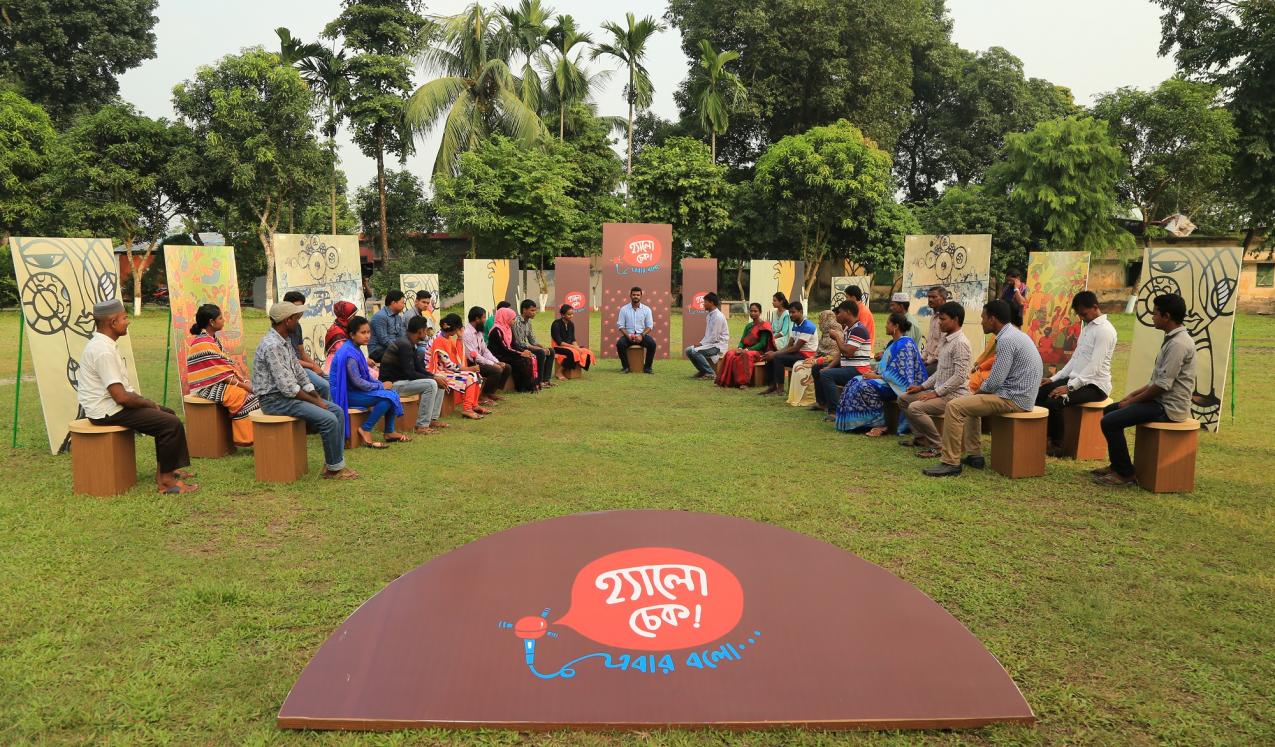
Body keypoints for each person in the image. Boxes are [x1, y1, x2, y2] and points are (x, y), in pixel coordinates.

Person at [79, 299, 196, 494]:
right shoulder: (102, 350)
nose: (128, 321)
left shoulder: (104, 344)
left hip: (112, 406)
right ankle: (166, 482)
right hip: (106, 411)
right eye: (124, 317)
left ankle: (167, 471)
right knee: (170, 423)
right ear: (112, 322)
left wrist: (151, 405)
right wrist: (149, 404)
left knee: (169, 414)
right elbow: (121, 397)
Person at [922, 300, 1043, 477]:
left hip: (1015, 398)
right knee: (969, 403)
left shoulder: (1006, 340)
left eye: (983, 318)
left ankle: (950, 462)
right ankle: (974, 456)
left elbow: (996, 379)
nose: (981, 322)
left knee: (955, 406)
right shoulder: (1014, 335)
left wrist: (980, 391)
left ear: (992, 319)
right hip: (1018, 395)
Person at [1093, 294, 1196, 487]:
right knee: (1110, 411)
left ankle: (1125, 474)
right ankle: (1117, 466)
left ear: (1166, 316)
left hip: (1168, 408)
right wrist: (1134, 395)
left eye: (1155, 313)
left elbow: (1162, 386)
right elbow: (1158, 380)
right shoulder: (1173, 339)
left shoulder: (1178, 344)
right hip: (1160, 401)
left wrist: (1132, 402)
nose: (1152, 317)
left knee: (1110, 421)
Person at [254, 303, 356, 480]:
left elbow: (300, 374)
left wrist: (316, 396)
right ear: (287, 320)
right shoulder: (272, 345)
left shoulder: (283, 340)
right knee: (329, 419)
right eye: (296, 318)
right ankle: (334, 470)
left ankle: (333, 463)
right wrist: (316, 402)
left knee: (337, 412)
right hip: (274, 400)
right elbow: (288, 387)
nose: (298, 322)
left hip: (287, 395)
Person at [1035, 291, 1117, 455]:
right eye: (1079, 314)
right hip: (1078, 380)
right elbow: (1075, 359)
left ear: (1095, 307)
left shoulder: (1105, 331)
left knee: (1054, 400)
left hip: (1095, 386)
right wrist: (1053, 379)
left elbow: (1095, 366)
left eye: (1084, 314)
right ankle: (1043, 437)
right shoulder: (1088, 328)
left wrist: (1069, 387)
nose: (1081, 318)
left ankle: (1058, 445)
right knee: (1039, 392)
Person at [898, 302, 973, 456]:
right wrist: (922, 387)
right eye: (939, 319)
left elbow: (959, 377)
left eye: (943, 319)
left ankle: (937, 446)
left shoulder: (960, 343)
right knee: (904, 399)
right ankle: (920, 438)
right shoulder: (946, 340)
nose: (939, 322)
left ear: (955, 319)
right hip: (942, 393)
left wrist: (936, 393)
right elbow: (941, 372)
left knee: (915, 407)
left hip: (955, 395)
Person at [835, 313, 927, 435]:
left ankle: (880, 424)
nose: (885, 326)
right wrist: (873, 373)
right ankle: (854, 422)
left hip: (898, 386)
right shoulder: (893, 343)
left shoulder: (906, 344)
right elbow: (887, 366)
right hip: (886, 381)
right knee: (855, 380)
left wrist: (876, 376)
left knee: (864, 386)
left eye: (888, 323)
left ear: (896, 326)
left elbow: (902, 374)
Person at [185, 303, 259, 447]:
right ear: (212, 322)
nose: (223, 320)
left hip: (218, 382)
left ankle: (251, 437)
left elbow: (223, 369)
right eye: (220, 318)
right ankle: (246, 439)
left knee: (250, 392)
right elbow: (221, 374)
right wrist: (243, 385)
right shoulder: (203, 343)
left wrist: (243, 381)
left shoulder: (211, 339)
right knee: (243, 396)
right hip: (206, 387)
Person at [330, 316, 407, 448]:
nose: (367, 336)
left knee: (390, 393)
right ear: (352, 335)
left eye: (368, 332)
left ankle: (389, 431)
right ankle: (366, 429)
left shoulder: (355, 348)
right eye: (363, 332)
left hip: (356, 391)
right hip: (346, 395)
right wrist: (380, 385)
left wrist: (381, 385)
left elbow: (365, 374)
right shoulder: (349, 354)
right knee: (388, 398)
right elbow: (358, 381)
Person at [379, 315, 449, 434]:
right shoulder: (404, 344)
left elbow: (419, 369)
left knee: (440, 380)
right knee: (431, 384)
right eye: (426, 329)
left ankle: (432, 419)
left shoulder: (410, 343)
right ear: (420, 331)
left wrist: (435, 377)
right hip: (392, 385)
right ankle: (422, 426)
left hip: (403, 381)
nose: (427, 332)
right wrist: (433, 378)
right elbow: (410, 373)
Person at [812, 300, 873, 413]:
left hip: (858, 370)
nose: (836, 315)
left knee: (826, 375)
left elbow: (848, 353)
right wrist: (829, 367)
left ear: (848, 312)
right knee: (817, 368)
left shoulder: (859, 330)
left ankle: (834, 411)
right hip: (848, 367)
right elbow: (841, 354)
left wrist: (837, 338)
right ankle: (822, 403)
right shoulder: (848, 329)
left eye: (839, 312)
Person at [430, 313, 491, 419]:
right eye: (457, 328)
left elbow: (457, 356)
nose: (458, 331)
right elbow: (449, 365)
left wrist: (460, 338)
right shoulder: (439, 341)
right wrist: (467, 369)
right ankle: (467, 408)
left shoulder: (447, 338)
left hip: (448, 371)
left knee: (477, 376)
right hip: (440, 373)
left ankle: (474, 405)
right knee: (471, 377)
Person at [758, 301, 816, 396]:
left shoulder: (808, 326)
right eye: (790, 312)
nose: (791, 315)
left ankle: (780, 390)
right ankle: (772, 386)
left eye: (793, 312)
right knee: (770, 355)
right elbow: (789, 345)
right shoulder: (795, 325)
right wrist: (774, 353)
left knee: (778, 358)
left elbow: (796, 348)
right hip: (797, 353)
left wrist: (776, 354)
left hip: (806, 355)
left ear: (801, 311)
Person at [282, 291, 330, 401]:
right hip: (294, 368)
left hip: (302, 365)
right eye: (295, 308)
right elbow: (288, 360)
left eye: (301, 308)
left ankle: (333, 409)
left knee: (332, 381)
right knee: (324, 386)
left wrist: (317, 367)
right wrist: (312, 366)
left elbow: (302, 352)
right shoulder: (283, 327)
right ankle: (326, 412)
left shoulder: (297, 325)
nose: (299, 312)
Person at [787, 309, 841, 406]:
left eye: (821, 320)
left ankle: (809, 398)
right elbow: (819, 351)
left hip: (832, 361)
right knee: (799, 364)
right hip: (822, 359)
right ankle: (817, 400)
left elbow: (834, 355)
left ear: (827, 320)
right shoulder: (825, 334)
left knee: (803, 369)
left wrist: (816, 360)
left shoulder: (836, 334)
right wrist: (813, 358)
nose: (819, 322)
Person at [715, 302, 774, 388]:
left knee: (745, 354)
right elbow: (743, 340)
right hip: (746, 349)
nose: (753, 313)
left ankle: (743, 383)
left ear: (760, 312)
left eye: (755, 311)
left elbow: (762, 343)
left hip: (759, 352)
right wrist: (739, 347)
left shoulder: (764, 325)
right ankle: (725, 380)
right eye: (751, 311)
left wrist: (748, 349)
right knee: (730, 353)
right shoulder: (749, 326)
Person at [465, 306, 511, 401]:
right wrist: (493, 364)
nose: (485, 320)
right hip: (471, 363)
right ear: (477, 319)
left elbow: (485, 350)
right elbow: (474, 356)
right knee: (496, 370)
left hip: (480, 360)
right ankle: (483, 396)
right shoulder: (467, 333)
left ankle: (491, 392)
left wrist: (496, 362)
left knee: (506, 367)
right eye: (483, 318)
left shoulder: (479, 332)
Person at [489, 306, 539, 391]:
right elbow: (505, 348)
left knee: (528, 358)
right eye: (512, 319)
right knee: (521, 361)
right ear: (506, 318)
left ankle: (531, 384)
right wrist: (520, 353)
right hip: (499, 356)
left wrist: (524, 351)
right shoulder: (497, 330)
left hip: (508, 353)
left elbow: (514, 344)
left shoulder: (508, 328)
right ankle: (521, 387)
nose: (514, 321)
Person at [686, 292, 729, 379]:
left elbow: (714, 337)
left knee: (694, 351)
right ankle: (703, 371)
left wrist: (701, 344)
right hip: (710, 344)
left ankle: (710, 373)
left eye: (705, 302)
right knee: (688, 350)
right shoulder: (709, 315)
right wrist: (701, 343)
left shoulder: (718, 317)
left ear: (711, 303)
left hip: (718, 346)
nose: (703, 304)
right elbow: (708, 335)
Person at [514, 299, 556, 386]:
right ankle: (538, 381)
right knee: (540, 352)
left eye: (535, 310)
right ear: (524, 310)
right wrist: (538, 349)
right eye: (532, 310)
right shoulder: (517, 322)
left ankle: (546, 380)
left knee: (550, 351)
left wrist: (543, 346)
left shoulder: (528, 321)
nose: (534, 313)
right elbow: (519, 343)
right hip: (519, 348)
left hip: (526, 346)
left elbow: (532, 339)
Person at [616, 286, 657, 373]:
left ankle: (647, 367)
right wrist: (628, 336)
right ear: (630, 296)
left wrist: (642, 336)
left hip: (642, 335)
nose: (636, 296)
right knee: (620, 344)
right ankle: (625, 367)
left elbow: (649, 326)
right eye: (634, 294)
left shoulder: (647, 310)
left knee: (652, 344)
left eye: (638, 295)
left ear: (641, 296)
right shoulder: (624, 309)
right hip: (628, 336)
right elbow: (621, 326)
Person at [550, 304, 595, 377]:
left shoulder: (571, 324)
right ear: (562, 315)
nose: (571, 316)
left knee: (586, 351)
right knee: (573, 353)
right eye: (569, 314)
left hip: (569, 346)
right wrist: (574, 348)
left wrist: (577, 347)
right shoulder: (556, 324)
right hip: (558, 347)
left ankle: (577, 368)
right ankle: (559, 372)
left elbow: (573, 339)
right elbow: (559, 342)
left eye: (572, 314)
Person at [322, 300, 360, 374]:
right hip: (338, 366)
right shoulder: (337, 333)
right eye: (353, 316)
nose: (354, 318)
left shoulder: (343, 328)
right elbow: (346, 354)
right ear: (345, 316)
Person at [369, 290, 407, 362]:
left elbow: (401, 335)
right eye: (402, 303)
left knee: (413, 352)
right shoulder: (380, 316)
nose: (404, 305)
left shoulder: (398, 317)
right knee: (403, 356)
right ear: (393, 303)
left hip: (391, 348)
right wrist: (399, 348)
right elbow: (384, 340)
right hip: (377, 351)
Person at [920, 286, 950, 375]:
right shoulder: (934, 317)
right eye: (929, 297)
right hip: (929, 360)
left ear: (944, 298)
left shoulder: (946, 318)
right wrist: (922, 358)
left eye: (934, 297)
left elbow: (942, 344)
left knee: (916, 376)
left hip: (939, 362)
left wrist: (927, 362)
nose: (930, 300)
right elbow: (930, 341)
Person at [845, 285, 875, 349]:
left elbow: (859, 331)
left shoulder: (863, 311)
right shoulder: (855, 309)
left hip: (863, 347)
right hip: (855, 343)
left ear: (853, 298)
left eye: (847, 297)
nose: (845, 300)